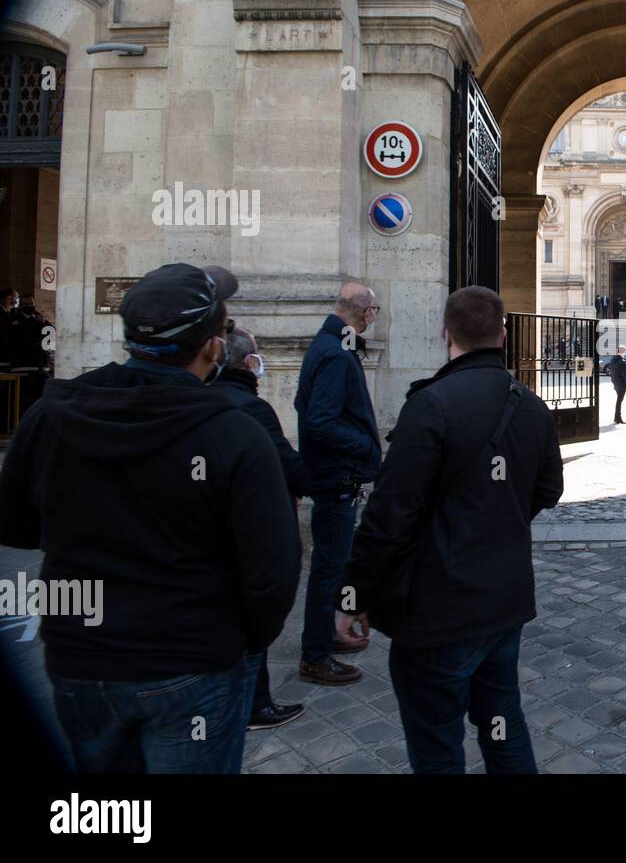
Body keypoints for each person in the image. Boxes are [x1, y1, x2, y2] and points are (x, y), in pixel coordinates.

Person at [0, 263, 300, 773]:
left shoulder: (52, 415)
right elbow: (273, 568)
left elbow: (17, 527)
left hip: (80, 659)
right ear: (211, 348)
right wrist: (243, 639)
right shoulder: (235, 434)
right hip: (191, 660)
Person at [335, 285, 563, 773]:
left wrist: (351, 596)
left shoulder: (431, 406)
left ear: (445, 334)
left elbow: (389, 515)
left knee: (437, 744)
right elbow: (548, 491)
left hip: (438, 610)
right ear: (503, 334)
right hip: (503, 601)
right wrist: (496, 520)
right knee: (504, 725)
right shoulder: (532, 407)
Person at [214, 327, 314, 730]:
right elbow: (287, 465)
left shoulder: (206, 397)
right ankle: (254, 704)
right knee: (250, 621)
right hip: (246, 533)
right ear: (247, 361)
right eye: (256, 355)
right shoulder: (250, 408)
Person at [295, 281, 383, 685]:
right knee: (328, 570)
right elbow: (319, 421)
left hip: (332, 474)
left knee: (332, 565)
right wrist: (364, 445)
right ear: (365, 313)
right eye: (374, 312)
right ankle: (315, 655)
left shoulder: (328, 345)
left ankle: (330, 634)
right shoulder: (334, 354)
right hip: (335, 478)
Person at [9, 295, 52, 416]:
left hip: (41, 366)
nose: (28, 306)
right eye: (25, 304)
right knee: (22, 400)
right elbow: (23, 339)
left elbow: (51, 334)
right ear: (20, 305)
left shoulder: (39, 319)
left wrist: (43, 323)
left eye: (31, 303)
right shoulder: (15, 320)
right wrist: (38, 337)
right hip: (22, 367)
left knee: (42, 398)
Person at [609, 344, 626, 424]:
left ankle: (617, 418)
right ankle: (618, 418)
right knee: (619, 401)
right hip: (621, 385)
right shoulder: (622, 362)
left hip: (616, 383)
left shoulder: (612, 360)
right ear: (623, 352)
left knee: (619, 401)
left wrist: (613, 382)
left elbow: (611, 372)